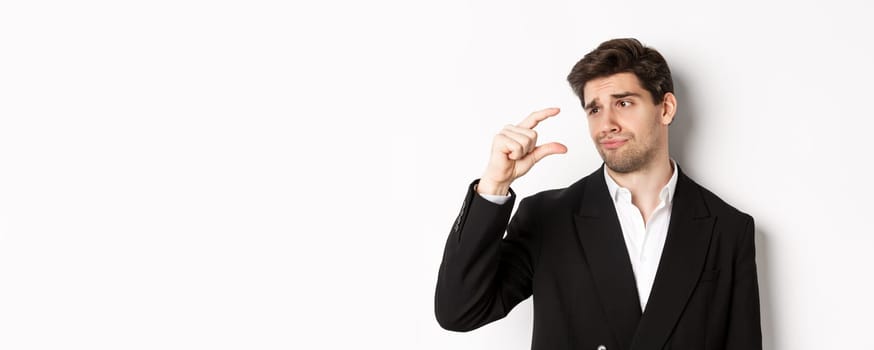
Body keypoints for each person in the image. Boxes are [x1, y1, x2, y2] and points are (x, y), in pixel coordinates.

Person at [434, 38, 762, 350]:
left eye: (623, 103)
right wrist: (494, 185)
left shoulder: (728, 229)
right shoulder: (547, 219)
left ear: (666, 108)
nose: (607, 124)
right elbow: (460, 311)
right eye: (594, 110)